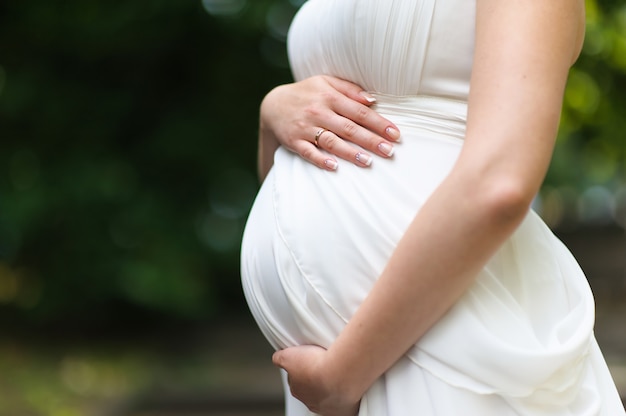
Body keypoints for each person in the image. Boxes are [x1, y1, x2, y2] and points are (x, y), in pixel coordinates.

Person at [241, 0, 626, 415]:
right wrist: (273, 114)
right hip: (333, 370)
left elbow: (500, 184)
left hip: (441, 343)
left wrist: (341, 375)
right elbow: (289, 184)